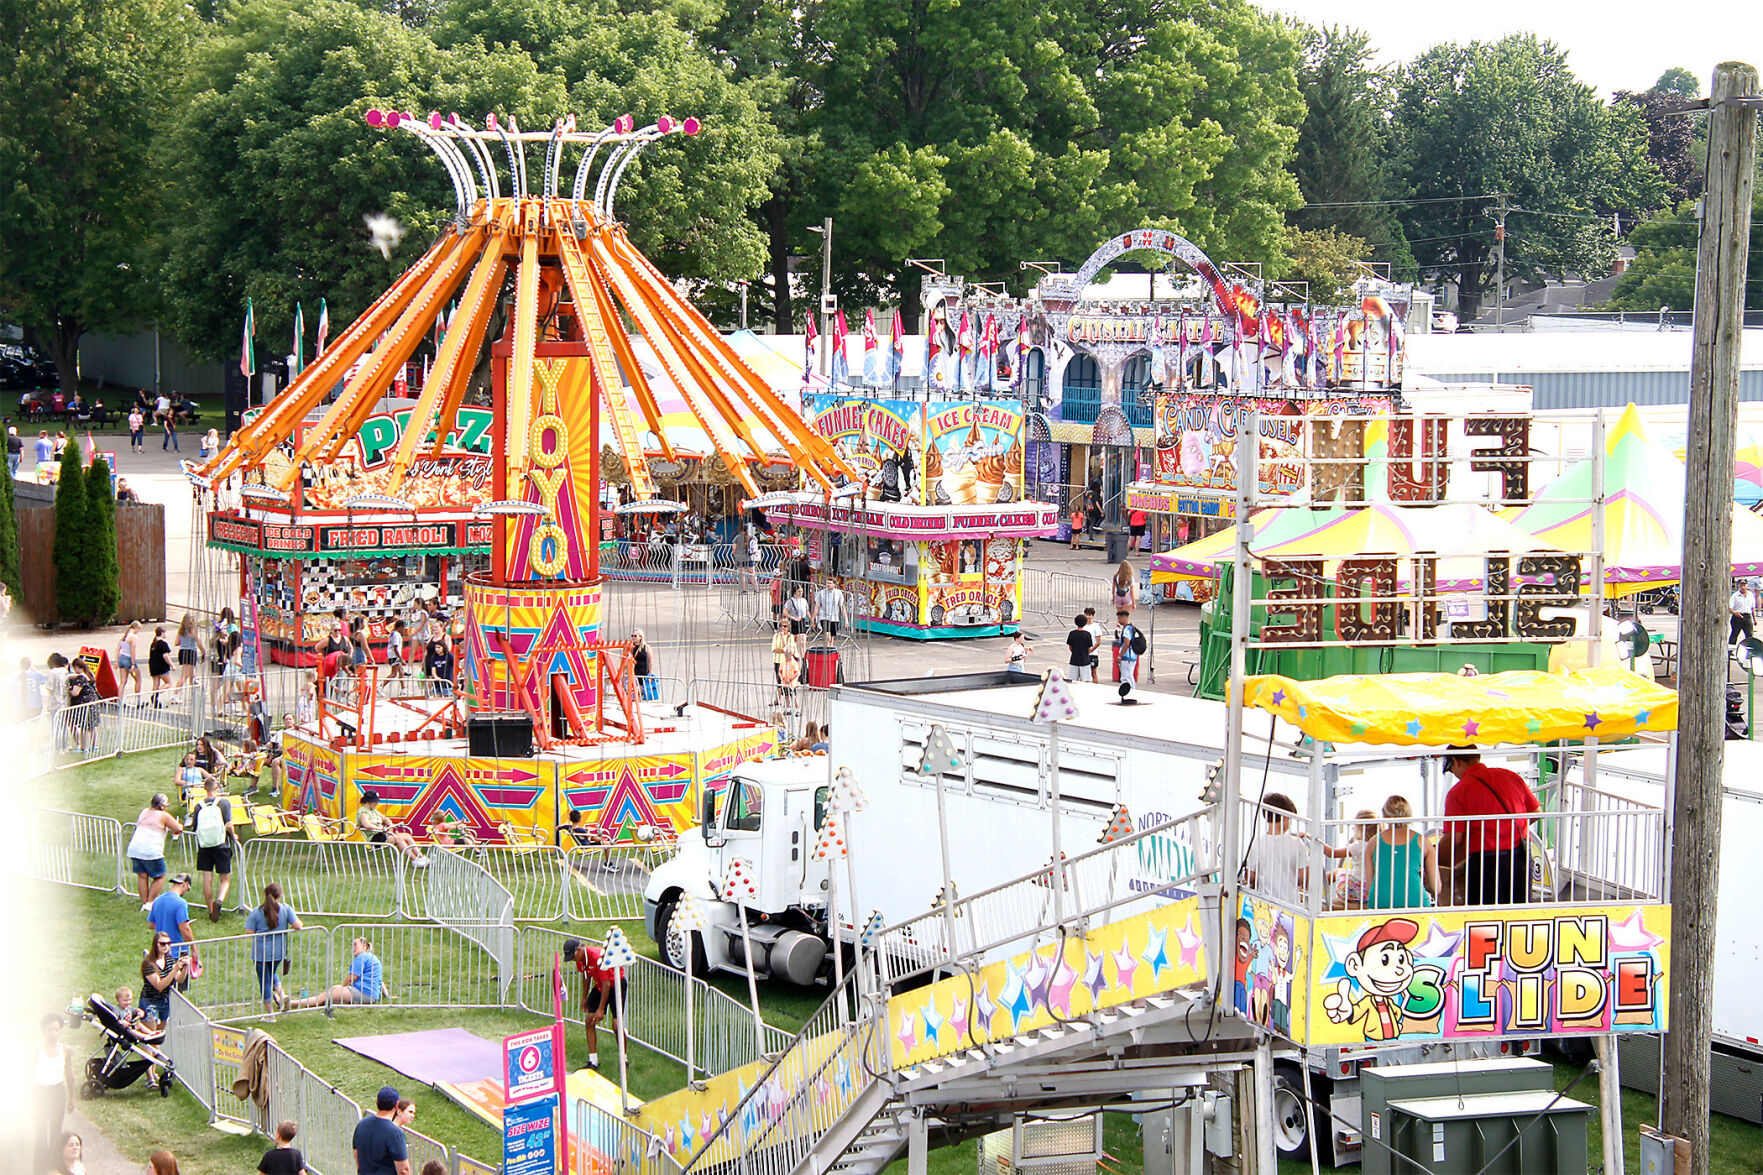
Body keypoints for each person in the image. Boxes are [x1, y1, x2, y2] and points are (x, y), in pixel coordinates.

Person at [1441, 748, 1539, 905]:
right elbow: (1535, 811)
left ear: (1456, 762)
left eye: (1452, 770)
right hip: (1519, 859)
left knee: (1485, 920)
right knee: (1519, 916)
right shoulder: (1510, 776)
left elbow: (1455, 838)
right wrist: (1510, 830)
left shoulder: (1458, 792)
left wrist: (1432, 859)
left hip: (1485, 865)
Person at [561, 937, 627, 1070]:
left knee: (616, 1025)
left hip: (615, 985)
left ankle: (623, 1059)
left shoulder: (596, 957)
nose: (572, 959)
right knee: (589, 1021)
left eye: (573, 956)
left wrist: (601, 1009)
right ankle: (593, 1061)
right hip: (600, 986)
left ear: (579, 950)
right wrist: (584, 998)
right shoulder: (580, 960)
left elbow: (607, 984)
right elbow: (586, 976)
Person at [1368, 795, 1439, 909]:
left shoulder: (1373, 842)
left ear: (1385, 815)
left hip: (1379, 901)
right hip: (1415, 900)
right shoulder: (1422, 841)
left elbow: (1370, 883)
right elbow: (1437, 887)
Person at [247, 882, 303, 1021]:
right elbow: (298, 925)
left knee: (265, 979)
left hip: (261, 953)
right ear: (280, 895)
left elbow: (249, 931)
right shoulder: (286, 909)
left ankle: (269, 1014)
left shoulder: (256, 912)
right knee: (271, 973)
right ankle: (282, 995)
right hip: (278, 952)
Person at [1242, 793, 1308, 905]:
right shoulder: (1297, 843)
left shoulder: (1257, 842)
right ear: (1286, 816)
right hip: (1291, 905)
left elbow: (1250, 877)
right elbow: (1304, 878)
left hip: (1265, 904)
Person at [286, 936, 384, 1011]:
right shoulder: (372, 958)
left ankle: (291, 1003)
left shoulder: (362, 957)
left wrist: (342, 988)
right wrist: (386, 995)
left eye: (355, 944)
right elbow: (380, 981)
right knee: (333, 990)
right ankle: (313, 1002)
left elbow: (352, 978)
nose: (353, 948)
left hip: (363, 993)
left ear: (364, 946)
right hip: (371, 995)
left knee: (326, 995)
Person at [192, 776, 241, 920]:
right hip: (222, 844)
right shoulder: (224, 803)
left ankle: (210, 909)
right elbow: (229, 824)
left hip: (205, 845)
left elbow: (195, 826)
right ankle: (219, 900)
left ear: (204, 788)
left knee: (207, 878)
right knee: (224, 878)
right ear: (217, 787)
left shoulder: (199, 805)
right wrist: (234, 836)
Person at [127, 793, 184, 910]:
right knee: (159, 877)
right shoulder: (164, 816)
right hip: (150, 850)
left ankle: (145, 903)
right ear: (162, 806)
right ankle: (150, 902)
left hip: (135, 848)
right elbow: (178, 828)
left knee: (142, 876)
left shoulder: (144, 812)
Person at [32, 1013, 74, 1175]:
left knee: (56, 1133)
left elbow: (69, 1075)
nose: (54, 1034)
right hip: (40, 1093)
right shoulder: (36, 1051)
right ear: (44, 1031)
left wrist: (72, 1097)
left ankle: (54, 1169)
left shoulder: (65, 1050)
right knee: (41, 1133)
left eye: (57, 1030)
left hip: (57, 1092)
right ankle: (39, 1170)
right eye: (50, 1030)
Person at [138, 930, 191, 1043]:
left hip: (164, 1002)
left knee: (158, 1037)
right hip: (150, 1002)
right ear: (155, 945)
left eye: (168, 943)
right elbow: (159, 985)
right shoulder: (149, 963)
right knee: (151, 1037)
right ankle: (150, 1060)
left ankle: (154, 1058)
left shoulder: (169, 960)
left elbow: (179, 979)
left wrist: (185, 967)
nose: (166, 946)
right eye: (162, 944)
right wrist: (175, 969)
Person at [1321, 809, 1379, 909]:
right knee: (1346, 872)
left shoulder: (1359, 845)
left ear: (1360, 829)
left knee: (1337, 872)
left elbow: (1332, 853)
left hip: (1356, 889)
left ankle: (1311, 888)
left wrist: (1317, 841)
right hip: (1372, 889)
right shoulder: (1380, 844)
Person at [357, 790, 429, 866]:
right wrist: (381, 829)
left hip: (383, 834)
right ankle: (414, 860)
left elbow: (385, 819)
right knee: (398, 839)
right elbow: (367, 825)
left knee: (407, 836)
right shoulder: (363, 812)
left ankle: (421, 857)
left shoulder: (373, 810)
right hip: (375, 837)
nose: (377, 803)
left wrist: (390, 826)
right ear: (369, 801)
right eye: (375, 801)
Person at [351, 1087, 408, 1175]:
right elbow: (403, 1170)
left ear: (377, 1103)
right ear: (396, 1105)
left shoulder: (362, 1125)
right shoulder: (395, 1133)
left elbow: (356, 1155)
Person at [117, 621, 143, 703]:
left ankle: (119, 701)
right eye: (139, 629)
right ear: (136, 628)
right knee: (138, 679)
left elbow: (118, 648)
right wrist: (133, 663)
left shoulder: (124, 637)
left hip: (122, 658)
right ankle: (138, 701)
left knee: (123, 681)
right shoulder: (133, 638)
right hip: (129, 659)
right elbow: (133, 651)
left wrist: (116, 661)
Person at [1114, 608, 1142, 686]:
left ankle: (1129, 691)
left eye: (1120, 618)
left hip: (1127, 657)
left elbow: (1126, 644)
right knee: (1129, 676)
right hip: (1132, 656)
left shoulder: (1127, 629)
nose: (1119, 620)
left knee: (1126, 677)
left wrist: (1120, 656)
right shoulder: (1130, 627)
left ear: (1125, 618)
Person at [1065, 614, 1095, 683]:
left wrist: (1074, 652)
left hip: (1074, 660)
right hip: (1085, 660)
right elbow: (1088, 647)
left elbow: (1070, 647)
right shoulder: (1087, 634)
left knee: (1072, 681)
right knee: (1085, 680)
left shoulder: (1072, 633)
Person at [147, 625, 173, 705]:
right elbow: (165, 656)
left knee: (155, 683)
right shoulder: (163, 643)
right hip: (162, 666)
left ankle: (155, 700)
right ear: (162, 633)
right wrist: (172, 665)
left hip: (153, 666)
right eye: (165, 633)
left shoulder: (153, 644)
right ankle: (157, 694)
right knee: (169, 683)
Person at [783, 584, 811, 656]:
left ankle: (803, 657)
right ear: (795, 592)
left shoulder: (804, 601)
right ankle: (794, 656)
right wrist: (792, 617)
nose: (801, 593)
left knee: (802, 641)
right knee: (792, 642)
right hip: (794, 622)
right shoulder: (791, 601)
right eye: (799, 591)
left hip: (802, 621)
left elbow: (807, 611)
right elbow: (785, 612)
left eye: (801, 591)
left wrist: (811, 619)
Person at [630, 629, 658, 702]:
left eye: (635, 636)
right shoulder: (631, 648)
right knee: (635, 692)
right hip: (635, 672)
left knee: (644, 690)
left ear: (640, 637)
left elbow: (650, 661)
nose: (633, 637)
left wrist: (650, 674)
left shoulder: (646, 647)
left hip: (643, 672)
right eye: (632, 636)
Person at [175, 614, 200, 689]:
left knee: (192, 673)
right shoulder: (193, 631)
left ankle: (194, 690)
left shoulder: (180, 631)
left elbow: (176, 642)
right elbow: (199, 641)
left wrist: (184, 640)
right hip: (190, 651)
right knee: (184, 675)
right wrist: (203, 651)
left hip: (182, 650)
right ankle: (176, 694)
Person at [17, 655, 45, 720]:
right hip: (36, 704)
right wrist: (34, 669)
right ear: (30, 665)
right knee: (34, 724)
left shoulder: (18, 676)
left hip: (23, 705)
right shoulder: (37, 675)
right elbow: (44, 678)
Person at [1731, 580, 1758, 647]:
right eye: (1741, 585)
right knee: (1734, 634)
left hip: (1747, 616)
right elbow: (1730, 608)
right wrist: (1735, 613)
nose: (1743, 587)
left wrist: (1754, 619)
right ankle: (1730, 652)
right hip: (1737, 616)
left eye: (1744, 585)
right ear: (1738, 586)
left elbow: (1753, 608)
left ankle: (1750, 652)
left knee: (1749, 635)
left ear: (1747, 585)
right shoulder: (1735, 595)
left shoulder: (1750, 595)